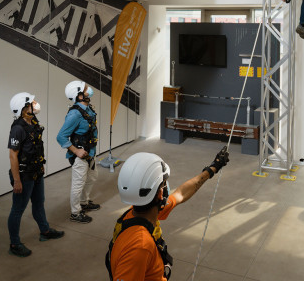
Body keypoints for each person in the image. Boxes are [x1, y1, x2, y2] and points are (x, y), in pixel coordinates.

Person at [106, 148, 230, 281]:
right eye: (165, 183)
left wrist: (213, 168)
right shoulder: (140, 246)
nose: (168, 187)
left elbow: (181, 193)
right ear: (160, 193)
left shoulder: (136, 213)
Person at [7, 92, 64, 257]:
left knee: (39, 203)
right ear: (24, 109)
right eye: (32, 102)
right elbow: (13, 155)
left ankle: (45, 231)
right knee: (18, 209)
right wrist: (16, 180)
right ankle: (14, 244)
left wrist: (40, 166)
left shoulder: (33, 122)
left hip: (36, 172)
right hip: (24, 176)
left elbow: (35, 147)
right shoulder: (18, 128)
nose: (36, 104)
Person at [56, 81, 100, 224]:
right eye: (86, 88)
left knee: (92, 177)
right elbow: (61, 136)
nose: (89, 90)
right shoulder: (75, 114)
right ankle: (75, 212)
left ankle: (83, 202)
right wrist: (76, 151)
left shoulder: (87, 109)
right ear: (79, 95)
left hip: (90, 152)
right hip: (80, 156)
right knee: (78, 184)